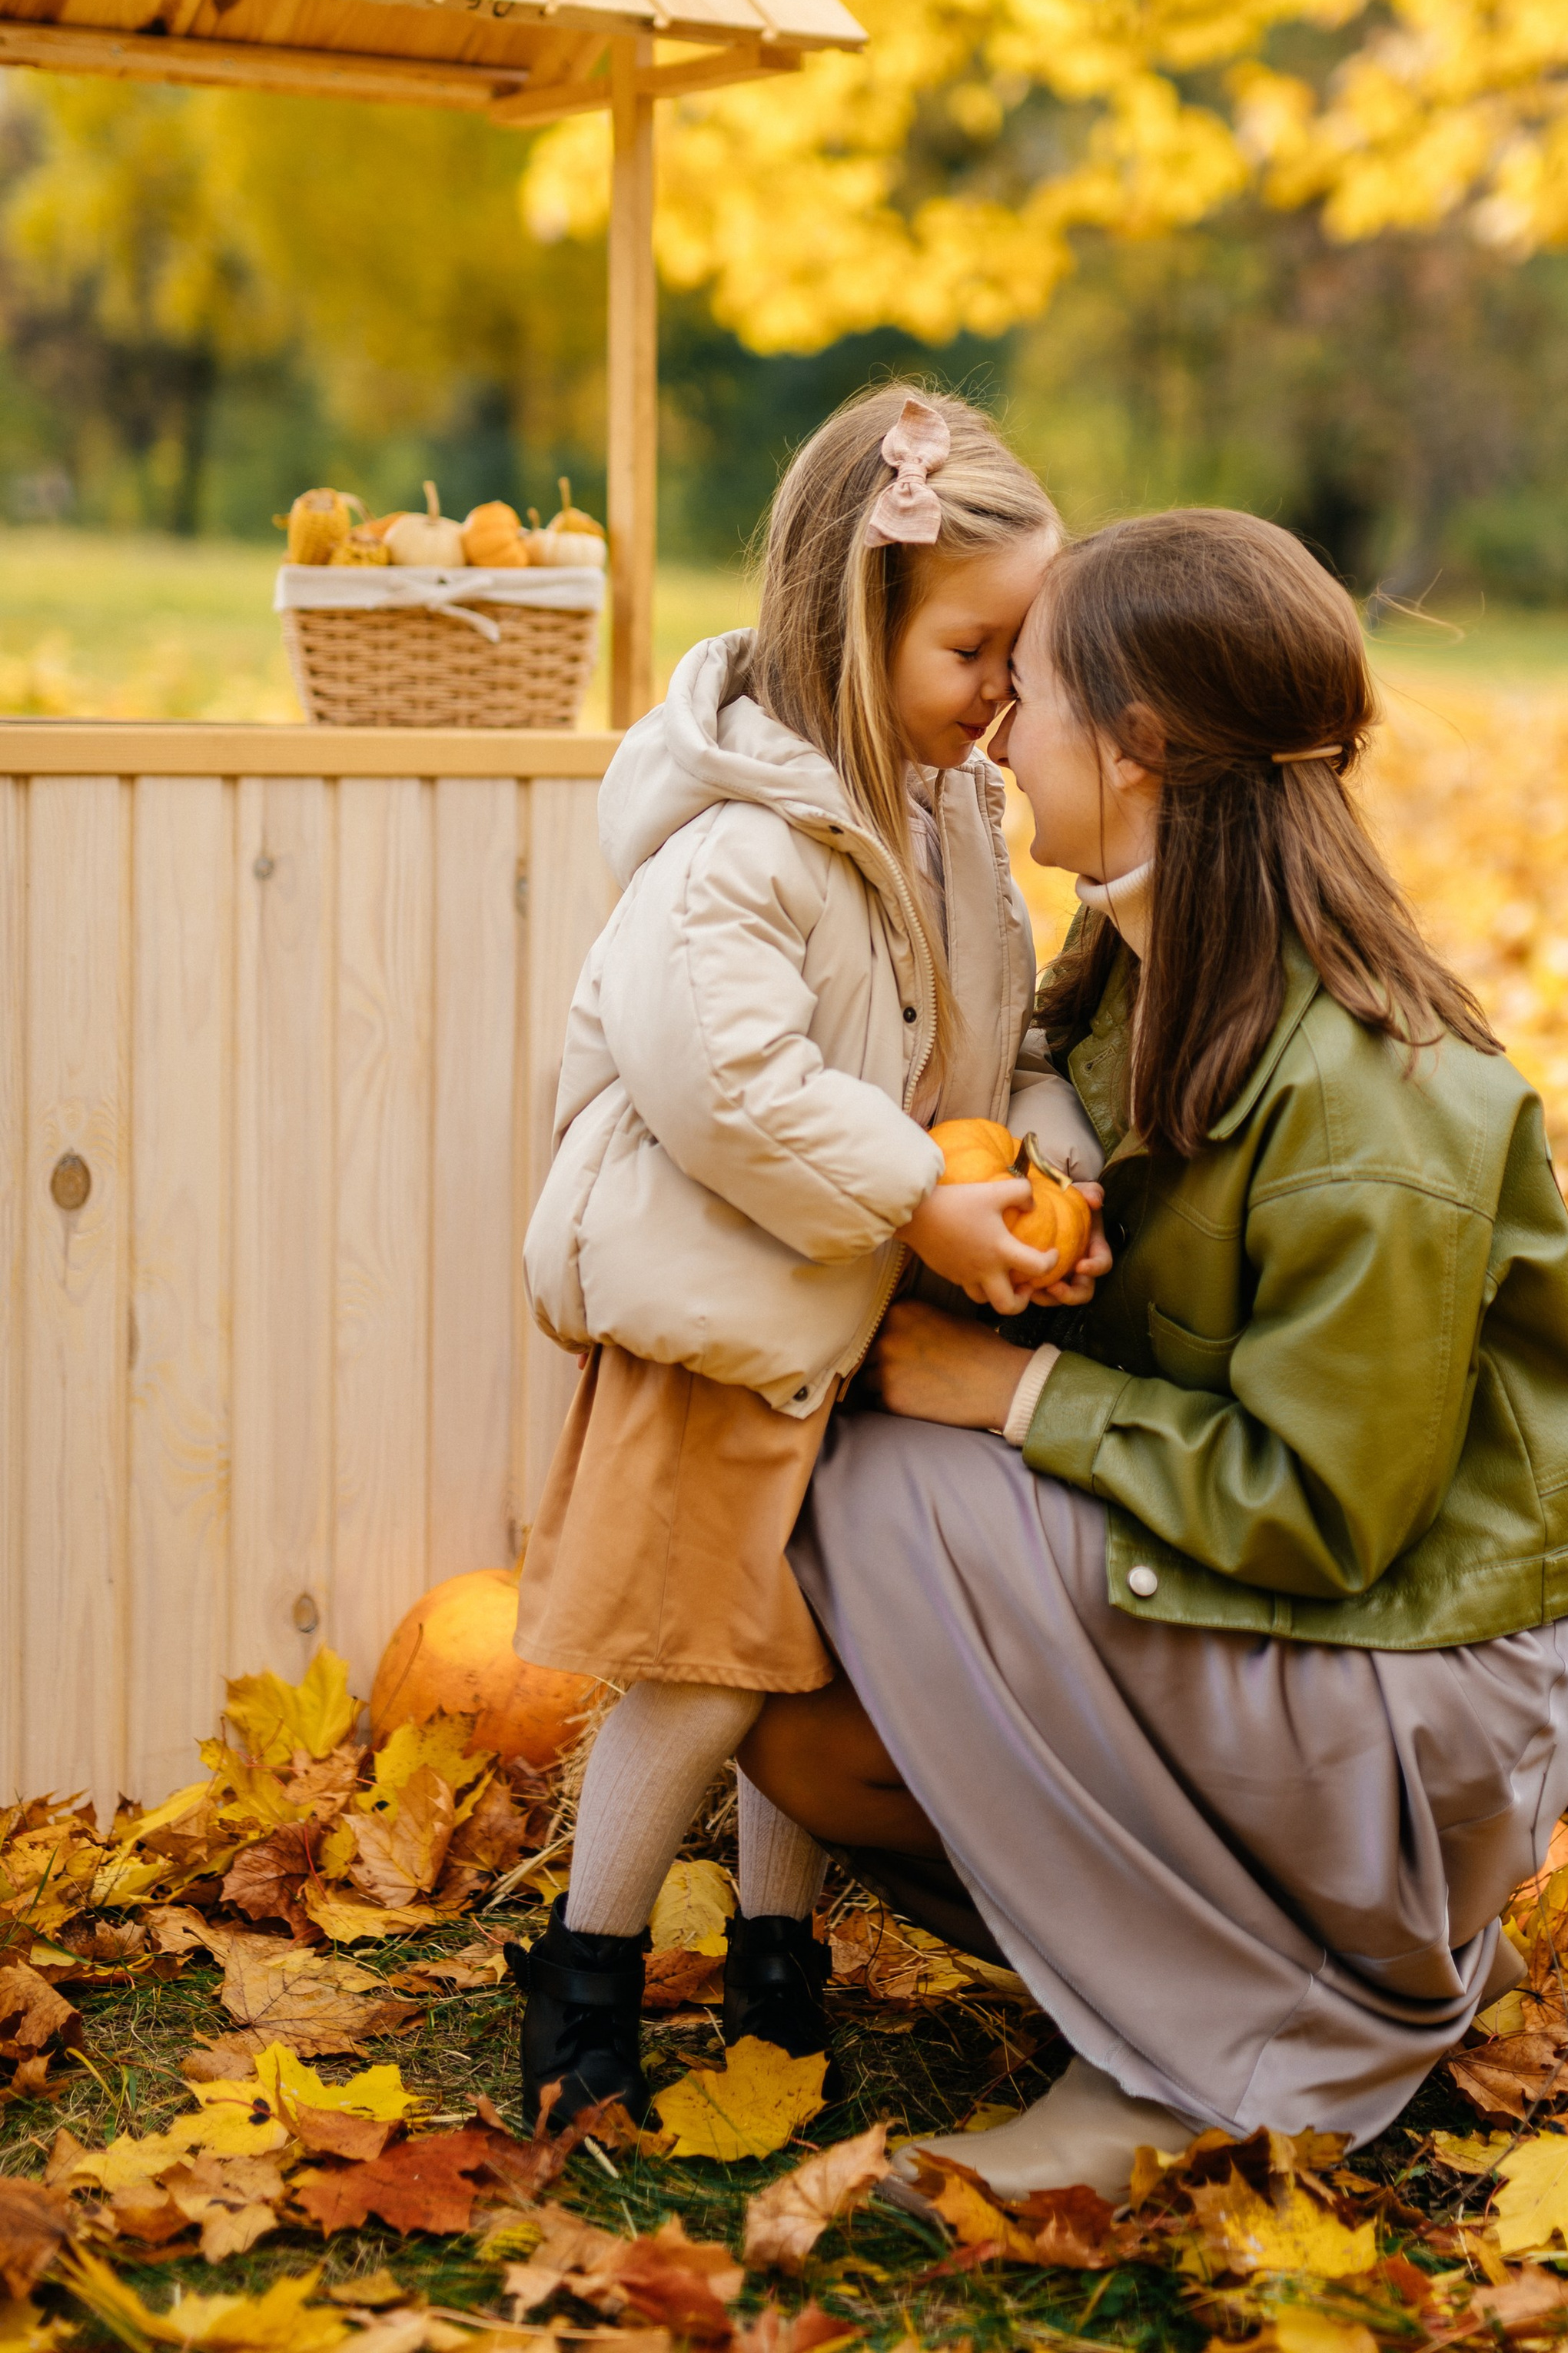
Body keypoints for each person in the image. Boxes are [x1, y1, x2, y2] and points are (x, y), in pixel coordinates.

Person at [740, 508, 1568, 2195]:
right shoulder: (1132, 979)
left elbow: (1325, 1509)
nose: (997, 721)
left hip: (1420, 1675)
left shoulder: (1374, 1098)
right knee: (810, 1736)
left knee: (881, 1488)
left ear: (1137, 748)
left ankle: (1197, 2056)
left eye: (1035, 684)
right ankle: (1349, 1976)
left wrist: (1015, 1388)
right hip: (1314, 1619)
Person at [507, 386, 1107, 2129]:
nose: (1005, 694)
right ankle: (585, 1971)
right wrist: (920, 1191)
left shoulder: (945, 825)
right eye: (973, 649)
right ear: (856, 631)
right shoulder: (734, 850)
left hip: (856, 1314)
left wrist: (1039, 1138)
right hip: (730, 1323)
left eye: (1023, 653)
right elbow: (731, 1092)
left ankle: (781, 1952)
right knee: (703, 1672)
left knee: (817, 1657)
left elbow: (995, 1041)